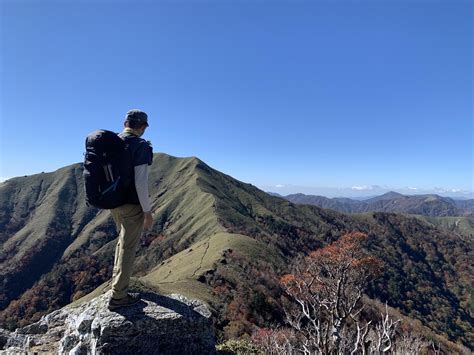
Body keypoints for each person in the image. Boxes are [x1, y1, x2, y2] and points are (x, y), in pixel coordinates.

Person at [107, 109, 154, 311]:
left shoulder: (112, 142)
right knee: (128, 248)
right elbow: (140, 182)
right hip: (131, 205)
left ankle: (116, 287)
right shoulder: (139, 146)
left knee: (121, 243)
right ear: (142, 126)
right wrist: (147, 211)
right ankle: (119, 296)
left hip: (113, 202)